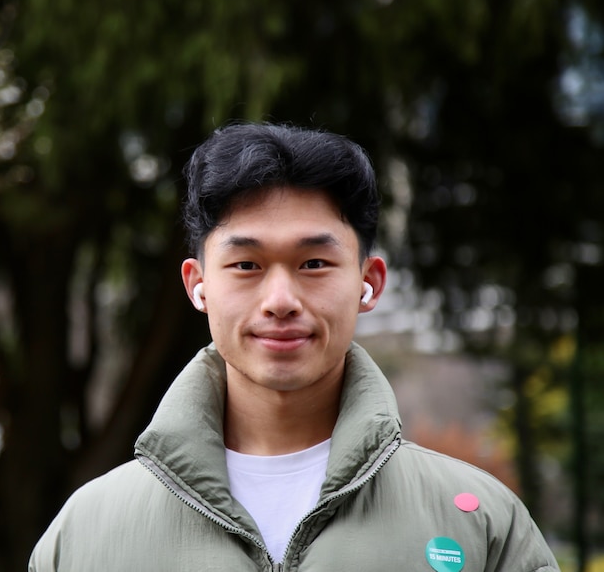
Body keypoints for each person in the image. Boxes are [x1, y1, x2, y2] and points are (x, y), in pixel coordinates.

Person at [28, 123, 560, 571]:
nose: (280, 300)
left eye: (313, 264)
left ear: (368, 281)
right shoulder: (88, 532)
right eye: (246, 265)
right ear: (198, 286)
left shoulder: (476, 519)